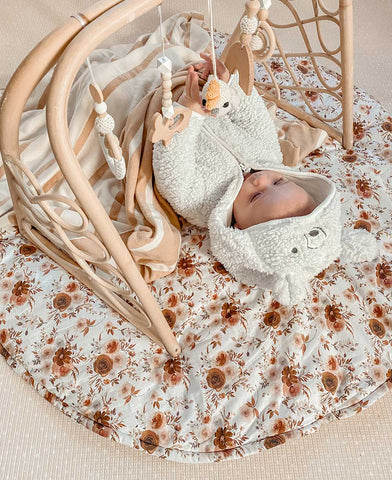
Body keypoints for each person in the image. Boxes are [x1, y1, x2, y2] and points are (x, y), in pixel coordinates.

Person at [152, 53, 377, 305]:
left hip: (166, 113)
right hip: (202, 88)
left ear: (239, 229)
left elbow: (170, 164)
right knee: (181, 53)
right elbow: (254, 118)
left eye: (256, 196)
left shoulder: (200, 200)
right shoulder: (270, 156)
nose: (260, 179)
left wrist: (187, 112)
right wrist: (230, 89)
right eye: (279, 182)